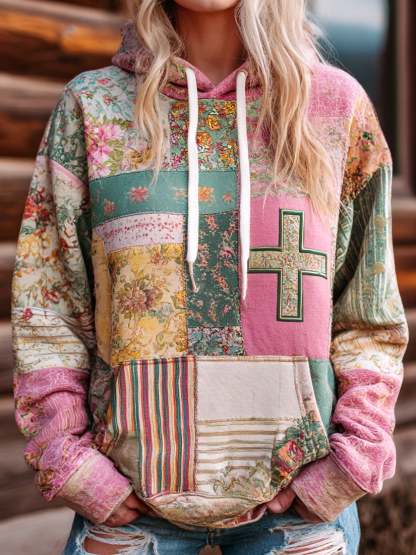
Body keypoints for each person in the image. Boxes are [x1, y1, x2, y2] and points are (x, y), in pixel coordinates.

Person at [10, 0, 409, 553]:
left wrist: (352, 460)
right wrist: (70, 461)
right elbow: (48, 308)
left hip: (300, 501)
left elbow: (369, 314)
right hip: (130, 501)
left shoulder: (335, 108)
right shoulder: (94, 106)